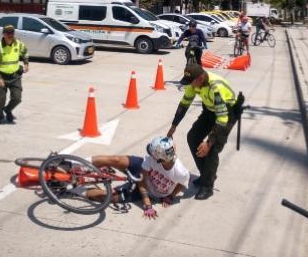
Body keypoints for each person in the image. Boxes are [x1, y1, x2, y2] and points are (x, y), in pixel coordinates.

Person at [167, 61, 244, 200]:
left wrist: (209, 142)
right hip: (210, 110)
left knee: (212, 149)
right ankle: (206, 174)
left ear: (201, 78)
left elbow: (222, 119)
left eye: (191, 82)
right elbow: (184, 103)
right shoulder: (194, 83)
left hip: (227, 113)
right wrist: (174, 125)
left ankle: (208, 186)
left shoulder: (216, 88)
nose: (190, 85)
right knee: (193, 137)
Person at [85, 137, 191, 219]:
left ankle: (82, 187)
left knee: (101, 196)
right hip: (142, 173)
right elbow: (141, 179)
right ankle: (74, 163)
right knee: (115, 159)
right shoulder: (151, 159)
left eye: (152, 153)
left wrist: (171, 196)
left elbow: (182, 184)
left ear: (160, 159)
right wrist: (147, 203)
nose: (150, 154)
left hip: (144, 191)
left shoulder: (181, 173)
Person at [0, 24, 29, 124]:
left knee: (17, 98)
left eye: (12, 33)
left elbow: (25, 52)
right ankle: (0, 116)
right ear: (3, 34)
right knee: (0, 100)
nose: (10, 35)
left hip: (15, 76)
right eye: (8, 33)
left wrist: (26, 63)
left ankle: (8, 110)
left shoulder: (18, 44)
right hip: (1, 76)